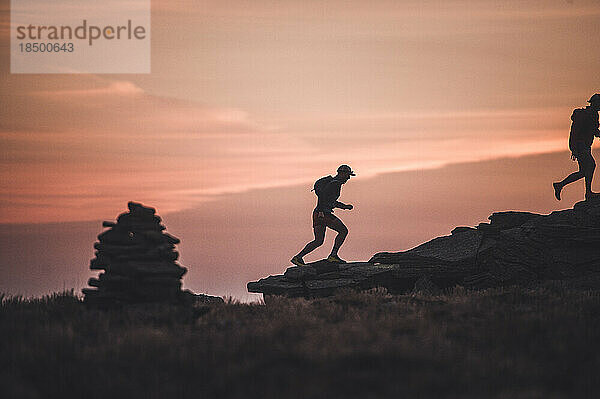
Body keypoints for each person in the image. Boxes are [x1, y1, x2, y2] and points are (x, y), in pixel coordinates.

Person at [291, 164, 355, 265]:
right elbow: (323, 197)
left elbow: (330, 200)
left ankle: (298, 258)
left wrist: (344, 206)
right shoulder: (335, 184)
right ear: (342, 173)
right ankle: (333, 256)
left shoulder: (332, 183)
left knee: (318, 241)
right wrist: (322, 211)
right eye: (347, 175)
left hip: (317, 213)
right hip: (323, 214)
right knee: (343, 231)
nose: (348, 178)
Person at [553, 94, 600, 201]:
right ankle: (588, 193)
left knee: (584, 171)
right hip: (580, 146)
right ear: (595, 103)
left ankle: (560, 185)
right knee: (591, 166)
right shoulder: (585, 115)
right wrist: (574, 149)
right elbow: (575, 132)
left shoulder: (593, 115)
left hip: (585, 146)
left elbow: (594, 131)